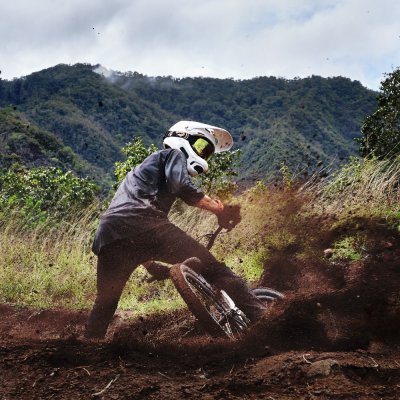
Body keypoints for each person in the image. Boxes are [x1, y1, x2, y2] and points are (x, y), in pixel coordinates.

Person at [85, 121, 266, 339]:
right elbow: (179, 185)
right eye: (201, 147)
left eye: (207, 152)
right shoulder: (172, 155)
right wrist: (219, 209)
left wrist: (150, 265)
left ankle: (89, 347)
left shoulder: (135, 176)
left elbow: (130, 234)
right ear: (183, 138)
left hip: (108, 236)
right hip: (146, 223)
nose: (203, 155)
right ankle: (267, 321)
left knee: (105, 302)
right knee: (216, 271)